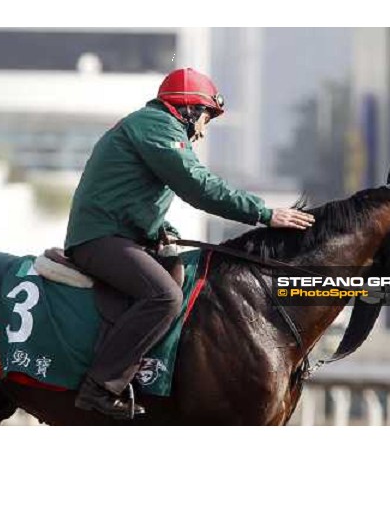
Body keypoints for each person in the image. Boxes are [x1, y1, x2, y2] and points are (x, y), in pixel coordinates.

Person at [64, 67, 315, 418]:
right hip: (99, 240)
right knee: (164, 296)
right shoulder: (157, 126)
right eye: (204, 120)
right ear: (187, 110)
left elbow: (131, 197)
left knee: (181, 274)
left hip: (117, 234)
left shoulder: (152, 126)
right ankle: (101, 385)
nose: (202, 132)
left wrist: (159, 227)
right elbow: (199, 186)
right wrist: (264, 214)